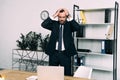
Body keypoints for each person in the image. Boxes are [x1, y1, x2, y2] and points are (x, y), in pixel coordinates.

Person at [41, 8, 81, 76]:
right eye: (60, 17)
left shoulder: (69, 25)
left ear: (66, 17)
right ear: (57, 17)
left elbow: (78, 27)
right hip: (54, 53)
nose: (62, 19)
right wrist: (54, 15)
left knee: (66, 74)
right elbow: (43, 24)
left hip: (66, 54)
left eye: (63, 17)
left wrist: (69, 16)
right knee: (52, 74)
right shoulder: (54, 24)